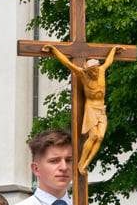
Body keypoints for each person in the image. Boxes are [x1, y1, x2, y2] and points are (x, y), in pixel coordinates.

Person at [43, 45, 127, 174]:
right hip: (91, 108)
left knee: (100, 137)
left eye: (95, 70)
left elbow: (109, 61)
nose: (94, 72)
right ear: (87, 70)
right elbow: (67, 63)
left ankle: (86, 163)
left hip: (101, 108)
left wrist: (114, 50)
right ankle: (81, 163)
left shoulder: (101, 71)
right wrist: (54, 50)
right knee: (94, 136)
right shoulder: (83, 75)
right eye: (91, 70)